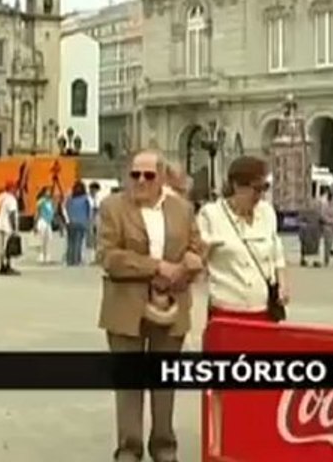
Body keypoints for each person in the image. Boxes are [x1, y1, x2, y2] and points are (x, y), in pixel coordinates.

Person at [97, 150, 204, 462]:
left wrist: (189, 265)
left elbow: (195, 248)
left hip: (170, 308)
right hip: (126, 309)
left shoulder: (182, 210)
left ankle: (164, 447)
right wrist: (157, 267)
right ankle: (129, 449)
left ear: (162, 178)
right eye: (135, 175)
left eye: (148, 175)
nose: (140, 181)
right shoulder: (112, 208)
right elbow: (110, 258)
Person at [196, 156, 289, 324]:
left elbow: (277, 255)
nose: (260, 196)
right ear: (236, 186)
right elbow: (198, 262)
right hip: (226, 309)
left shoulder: (267, 212)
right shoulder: (211, 215)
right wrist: (204, 250)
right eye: (256, 189)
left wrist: (282, 285)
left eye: (264, 188)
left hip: (263, 310)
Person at [64, 180, 93, 267]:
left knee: (70, 242)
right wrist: (88, 222)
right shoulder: (85, 198)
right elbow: (89, 211)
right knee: (78, 242)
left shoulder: (70, 198)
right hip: (81, 222)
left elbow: (66, 209)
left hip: (71, 222)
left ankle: (70, 260)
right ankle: (77, 260)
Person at [0, 181, 20, 276]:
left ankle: (1, 266)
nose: (16, 190)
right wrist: (14, 228)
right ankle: (7, 266)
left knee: (1, 247)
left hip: (0, 225)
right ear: (11, 189)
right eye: (15, 188)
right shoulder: (11, 199)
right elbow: (12, 214)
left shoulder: (1, 197)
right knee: (8, 247)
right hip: (8, 226)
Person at [33, 187, 55, 264]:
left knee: (48, 239)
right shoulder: (41, 201)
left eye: (49, 192)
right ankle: (41, 255)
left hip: (48, 222)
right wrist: (35, 224)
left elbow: (52, 211)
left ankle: (48, 256)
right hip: (42, 221)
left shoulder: (51, 202)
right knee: (41, 239)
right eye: (47, 191)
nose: (48, 193)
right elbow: (37, 213)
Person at [87, 181, 102, 255]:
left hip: (97, 218)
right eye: (93, 190)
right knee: (90, 237)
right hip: (89, 218)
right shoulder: (87, 198)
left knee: (97, 237)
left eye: (96, 190)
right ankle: (91, 255)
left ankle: (97, 254)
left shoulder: (99, 198)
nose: (94, 191)